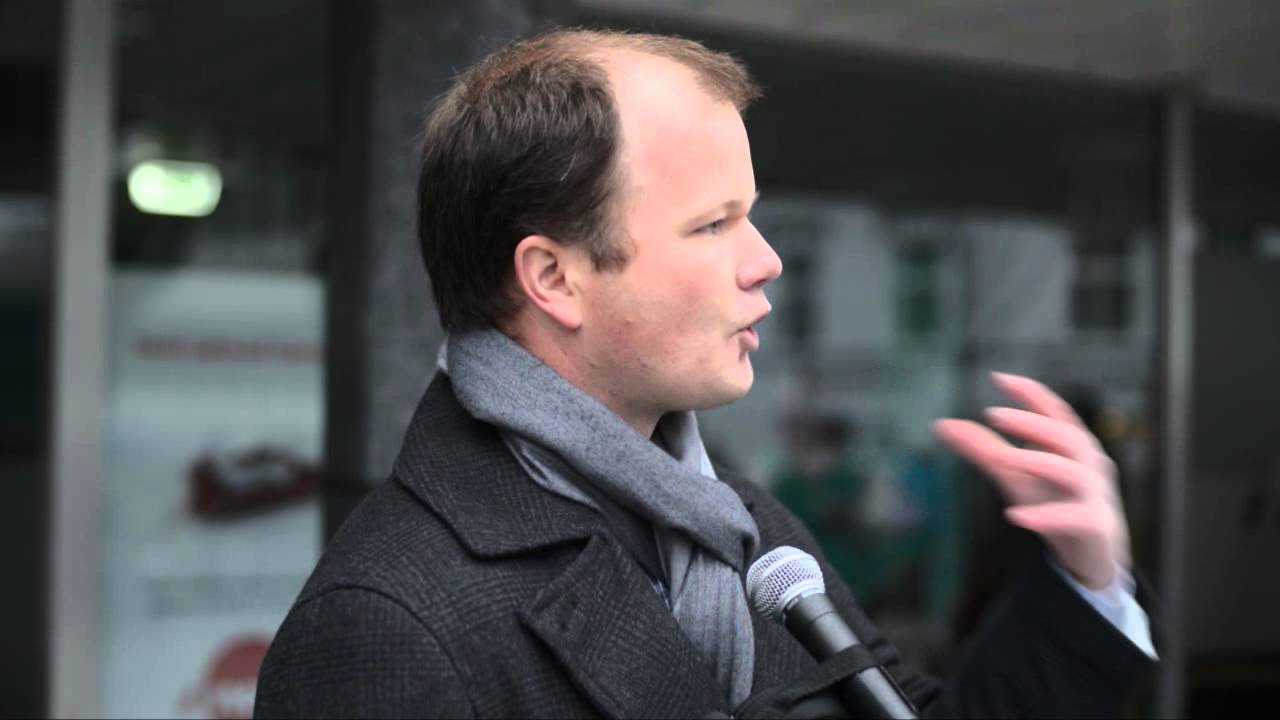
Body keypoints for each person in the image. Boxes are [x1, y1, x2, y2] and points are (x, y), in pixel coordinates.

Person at [254, 29, 1157, 718]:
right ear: (554, 278)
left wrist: (1089, 582)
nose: (766, 261)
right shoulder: (382, 624)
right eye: (714, 224)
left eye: (749, 217)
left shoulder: (741, 527)